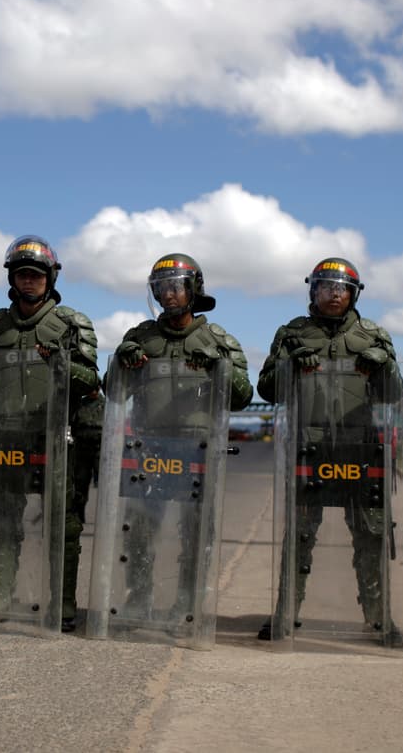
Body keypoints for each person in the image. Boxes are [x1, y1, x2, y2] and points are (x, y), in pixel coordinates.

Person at [0, 235, 102, 632]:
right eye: (21, 274)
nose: (28, 282)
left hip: (56, 436)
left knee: (63, 524)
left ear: (51, 278)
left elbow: (92, 381)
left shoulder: (73, 324)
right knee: (2, 520)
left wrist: (62, 363)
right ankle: (0, 597)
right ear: (11, 278)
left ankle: (63, 603)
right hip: (4, 437)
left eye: (35, 275)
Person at [255, 257, 402, 640]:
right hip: (309, 448)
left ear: (354, 294)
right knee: (299, 535)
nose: (334, 294)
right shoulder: (292, 333)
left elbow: (395, 394)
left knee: (370, 535)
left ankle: (379, 619)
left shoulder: (374, 335)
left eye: (341, 288)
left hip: (360, 448)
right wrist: (289, 363)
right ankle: (285, 615)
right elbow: (266, 388)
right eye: (325, 287)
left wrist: (384, 364)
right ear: (312, 291)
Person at [113, 253, 252, 618]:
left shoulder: (219, 340)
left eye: (177, 286)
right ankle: (137, 601)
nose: (170, 294)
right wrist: (119, 361)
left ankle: (186, 606)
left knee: (194, 534)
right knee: (140, 530)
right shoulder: (140, 338)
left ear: (194, 289)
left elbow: (242, 396)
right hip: (148, 447)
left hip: (197, 450)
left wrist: (220, 367)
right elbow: (112, 392)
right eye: (162, 288)